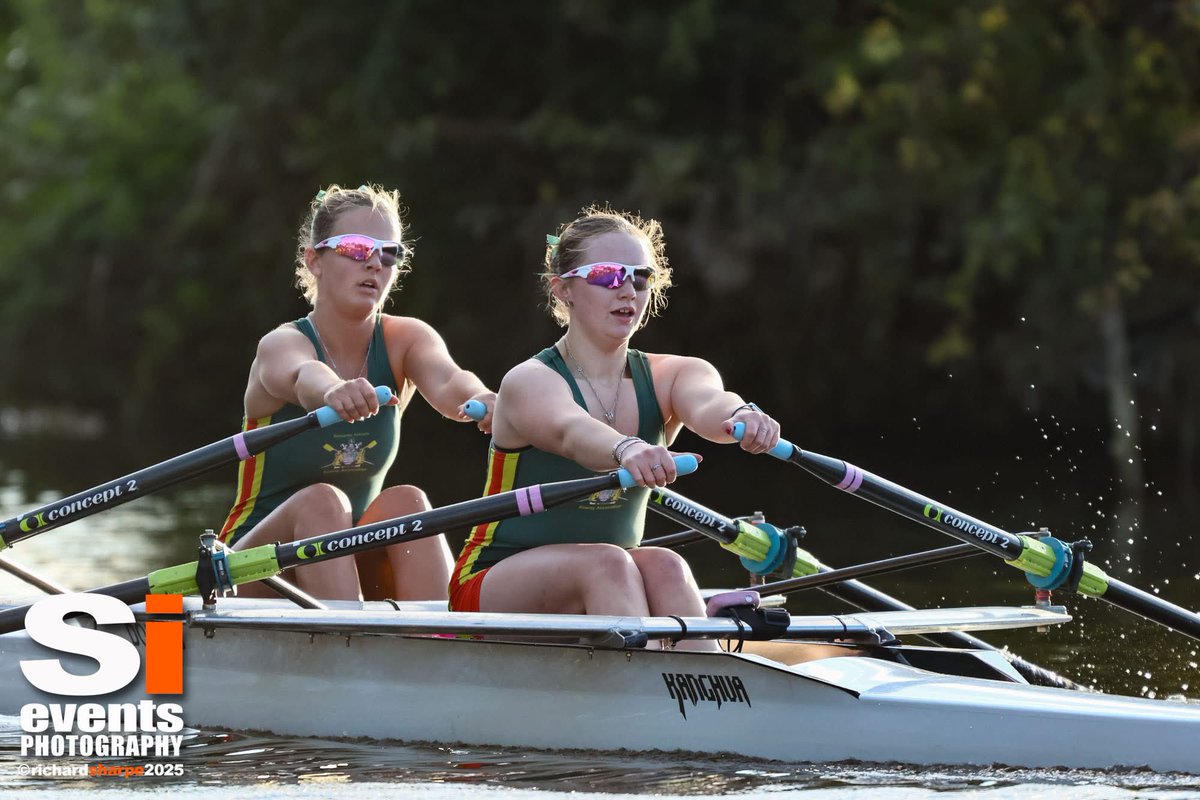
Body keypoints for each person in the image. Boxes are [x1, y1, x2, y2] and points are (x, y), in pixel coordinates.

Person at [449, 205, 780, 651]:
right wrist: (627, 449)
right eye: (607, 275)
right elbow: (570, 431)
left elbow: (711, 406)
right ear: (563, 288)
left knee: (664, 563)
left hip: (605, 575)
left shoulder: (673, 374)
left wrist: (742, 416)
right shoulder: (528, 381)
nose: (626, 289)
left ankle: (708, 690)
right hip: (492, 581)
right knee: (609, 563)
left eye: (639, 277)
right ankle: (644, 695)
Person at [220, 184, 495, 602]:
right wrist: (333, 390)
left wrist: (488, 401)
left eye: (389, 253)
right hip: (251, 573)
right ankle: (353, 642)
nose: (374, 263)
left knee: (408, 502)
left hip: (341, 564)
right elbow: (302, 375)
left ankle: (443, 645)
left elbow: (451, 381)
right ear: (315, 260)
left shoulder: (406, 339)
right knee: (321, 502)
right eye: (355, 247)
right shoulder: (282, 343)